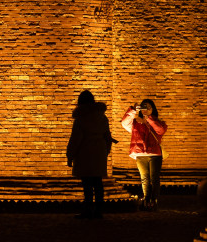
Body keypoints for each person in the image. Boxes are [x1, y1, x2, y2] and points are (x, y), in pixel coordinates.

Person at [67, 90, 114, 219]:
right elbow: (107, 137)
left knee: (87, 184)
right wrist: (106, 151)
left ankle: (88, 210)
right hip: (99, 152)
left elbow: (75, 140)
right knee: (98, 183)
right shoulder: (102, 117)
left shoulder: (81, 119)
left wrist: (69, 156)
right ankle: (99, 211)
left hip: (85, 153)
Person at [121, 99, 167, 211]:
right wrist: (132, 111)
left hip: (155, 154)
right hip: (140, 154)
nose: (145, 109)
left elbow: (160, 131)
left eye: (148, 107)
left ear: (153, 109)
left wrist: (148, 119)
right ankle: (146, 200)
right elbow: (124, 123)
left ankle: (154, 200)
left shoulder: (157, 122)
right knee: (144, 179)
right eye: (143, 107)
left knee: (154, 178)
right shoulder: (136, 122)